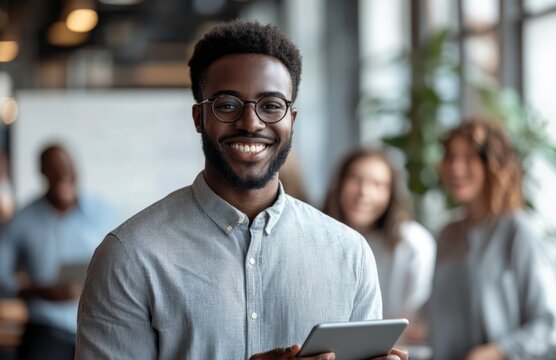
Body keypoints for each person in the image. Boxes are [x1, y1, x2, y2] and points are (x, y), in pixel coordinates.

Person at [75, 20, 408, 360]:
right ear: (199, 117)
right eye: (228, 104)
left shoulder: (349, 254)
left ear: (291, 118)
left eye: (271, 105)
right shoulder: (130, 256)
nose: (251, 123)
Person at [430, 118, 556, 359]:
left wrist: (496, 352)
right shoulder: (448, 234)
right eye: (450, 157)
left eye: (468, 158)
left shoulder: (518, 231)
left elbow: (547, 325)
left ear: (494, 164)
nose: (455, 167)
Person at [0, 144, 117, 360]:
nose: (61, 173)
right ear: (42, 173)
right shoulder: (21, 221)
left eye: (66, 166)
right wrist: (43, 292)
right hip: (47, 330)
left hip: (101, 327)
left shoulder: (103, 213)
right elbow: (2, 280)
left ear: (75, 169)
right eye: (53, 168)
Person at [324, 147, 436, 321]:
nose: (363, 192)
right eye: (355, 179)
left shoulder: (415, 243)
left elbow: (417, 318)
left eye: (377, 184)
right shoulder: (318, 239)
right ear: (339, 185)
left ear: (391, 194)